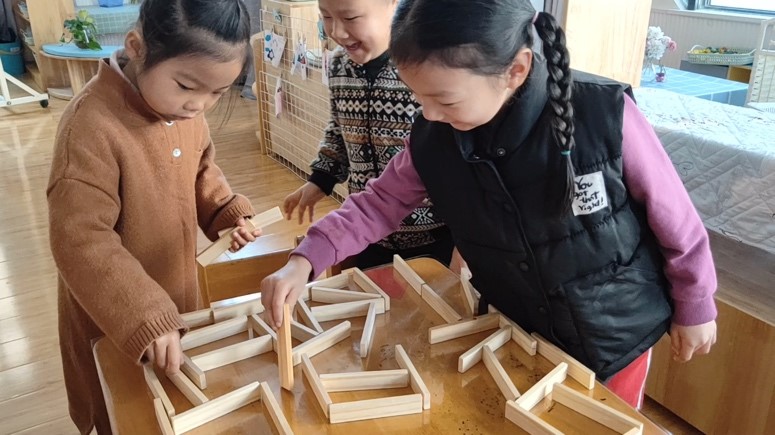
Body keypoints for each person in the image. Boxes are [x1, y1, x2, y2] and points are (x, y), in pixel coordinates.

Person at [262, 0, 718, 409]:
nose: (429, 115)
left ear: (515, 70)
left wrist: (695, 303)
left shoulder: (603, 113)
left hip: (614, 334)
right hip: (516, 320)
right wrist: (308, 258)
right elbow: (378, 203)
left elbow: (675, 219)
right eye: (418, 98)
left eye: (443, 99)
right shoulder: (435, 137)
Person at [47, 1, 258, 432]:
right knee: (124, 413)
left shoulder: (181, 109)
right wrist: (144, 315)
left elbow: (201, 171)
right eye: (186, 85)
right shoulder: (90, 126)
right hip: (114, 317)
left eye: (217, 93)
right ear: (136, 47)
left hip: (175, 299)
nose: (200, 105)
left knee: (173, 407)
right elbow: (81, 239)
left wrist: (225, 213)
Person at [282, 0, 455, 269]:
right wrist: (321, 179)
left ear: (394, 5)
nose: (337, 31)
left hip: (433, 240)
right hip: (367, 233)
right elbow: (338, 128)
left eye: (350, 18)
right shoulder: (339, 65)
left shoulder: (422, 71)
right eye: (326, 16)